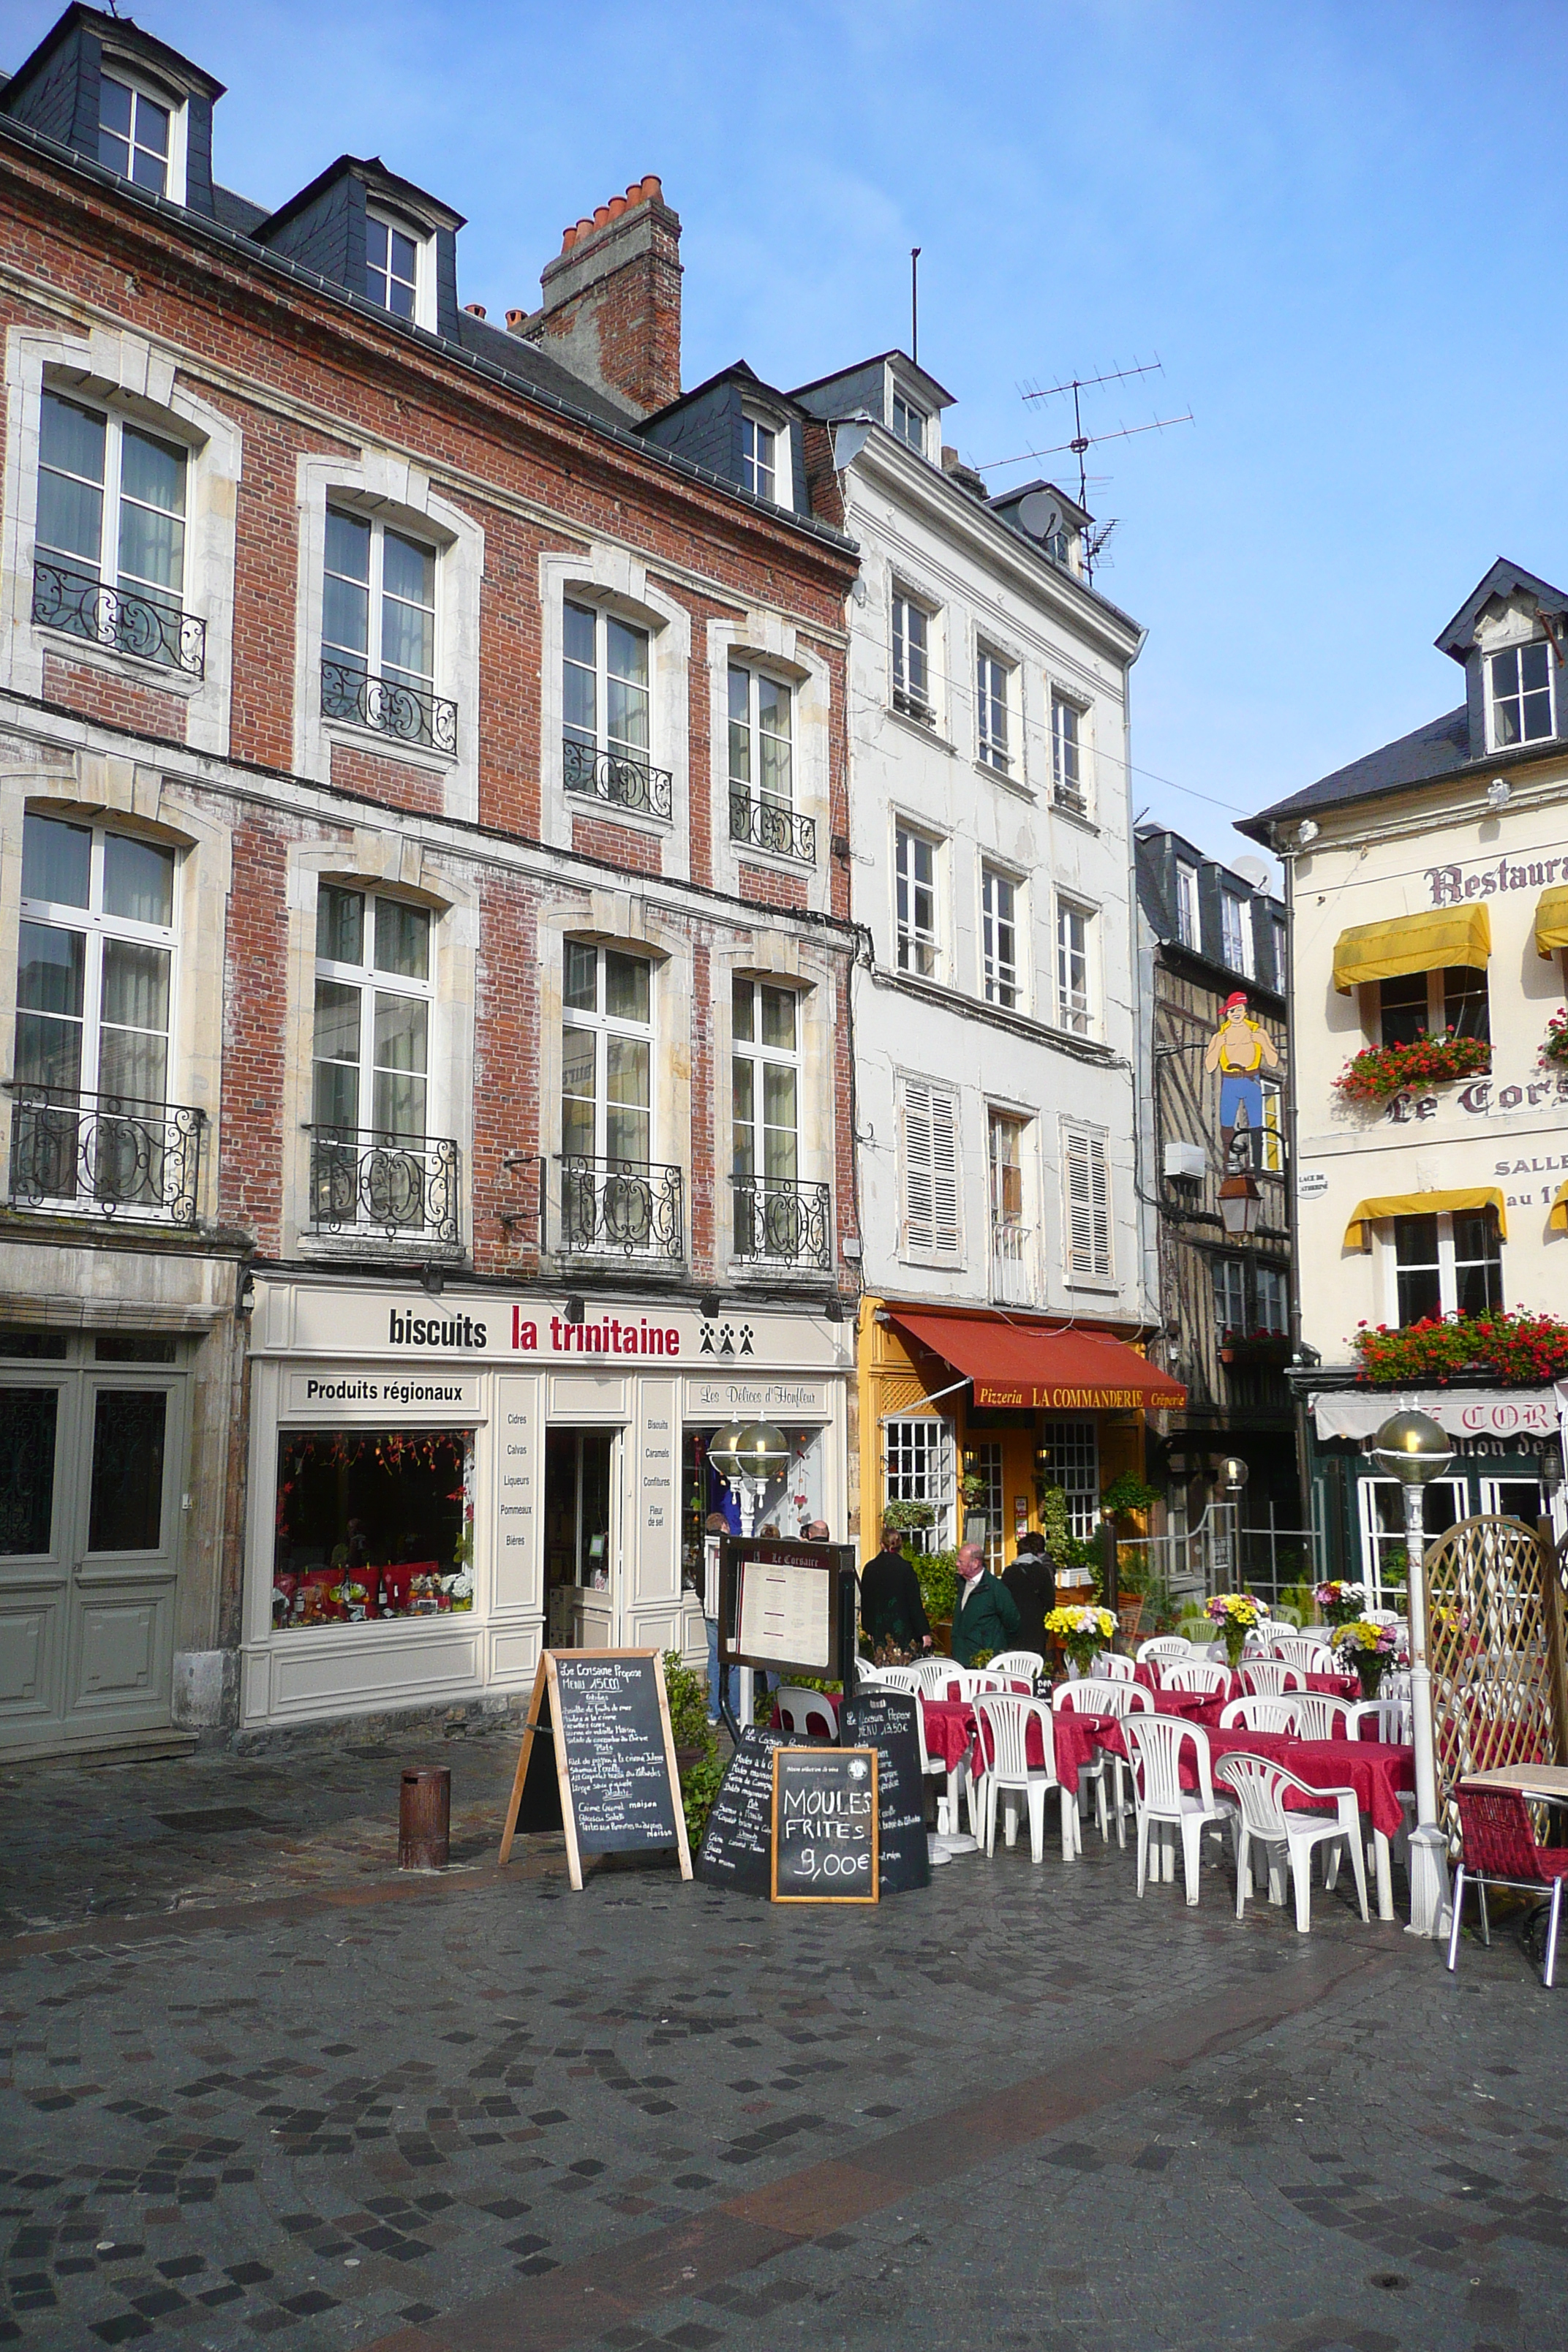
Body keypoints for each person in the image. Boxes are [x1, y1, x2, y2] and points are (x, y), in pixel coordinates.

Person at [859, 1523, 932, 1656]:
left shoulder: (870, 1568)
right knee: (903, 1672)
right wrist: (923, 1632)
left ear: (882, 1544)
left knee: (882, 1670)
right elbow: (914, 1603)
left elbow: (866, 1602)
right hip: (903, 1629)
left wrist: (868, 1628)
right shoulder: (905, 1569)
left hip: (879, 1629)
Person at [951, 1542, 1022, 1667]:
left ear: (976, 1563)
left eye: (961, 1562)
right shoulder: (962, 1583)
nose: (957, 1564)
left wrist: (994, 1646)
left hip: (983, 1660)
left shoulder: (995, 1588)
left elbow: (1013, 1621)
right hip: (961, 1658)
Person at [1001, 1530, 1055, 1655]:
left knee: (1014, 1666)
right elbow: (1049, 1601)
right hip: (1036, 1629)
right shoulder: (1042, 1571)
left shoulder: (1009, 1572)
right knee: (1035, 1665)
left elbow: (1003, 1603)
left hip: (1015, 1629)